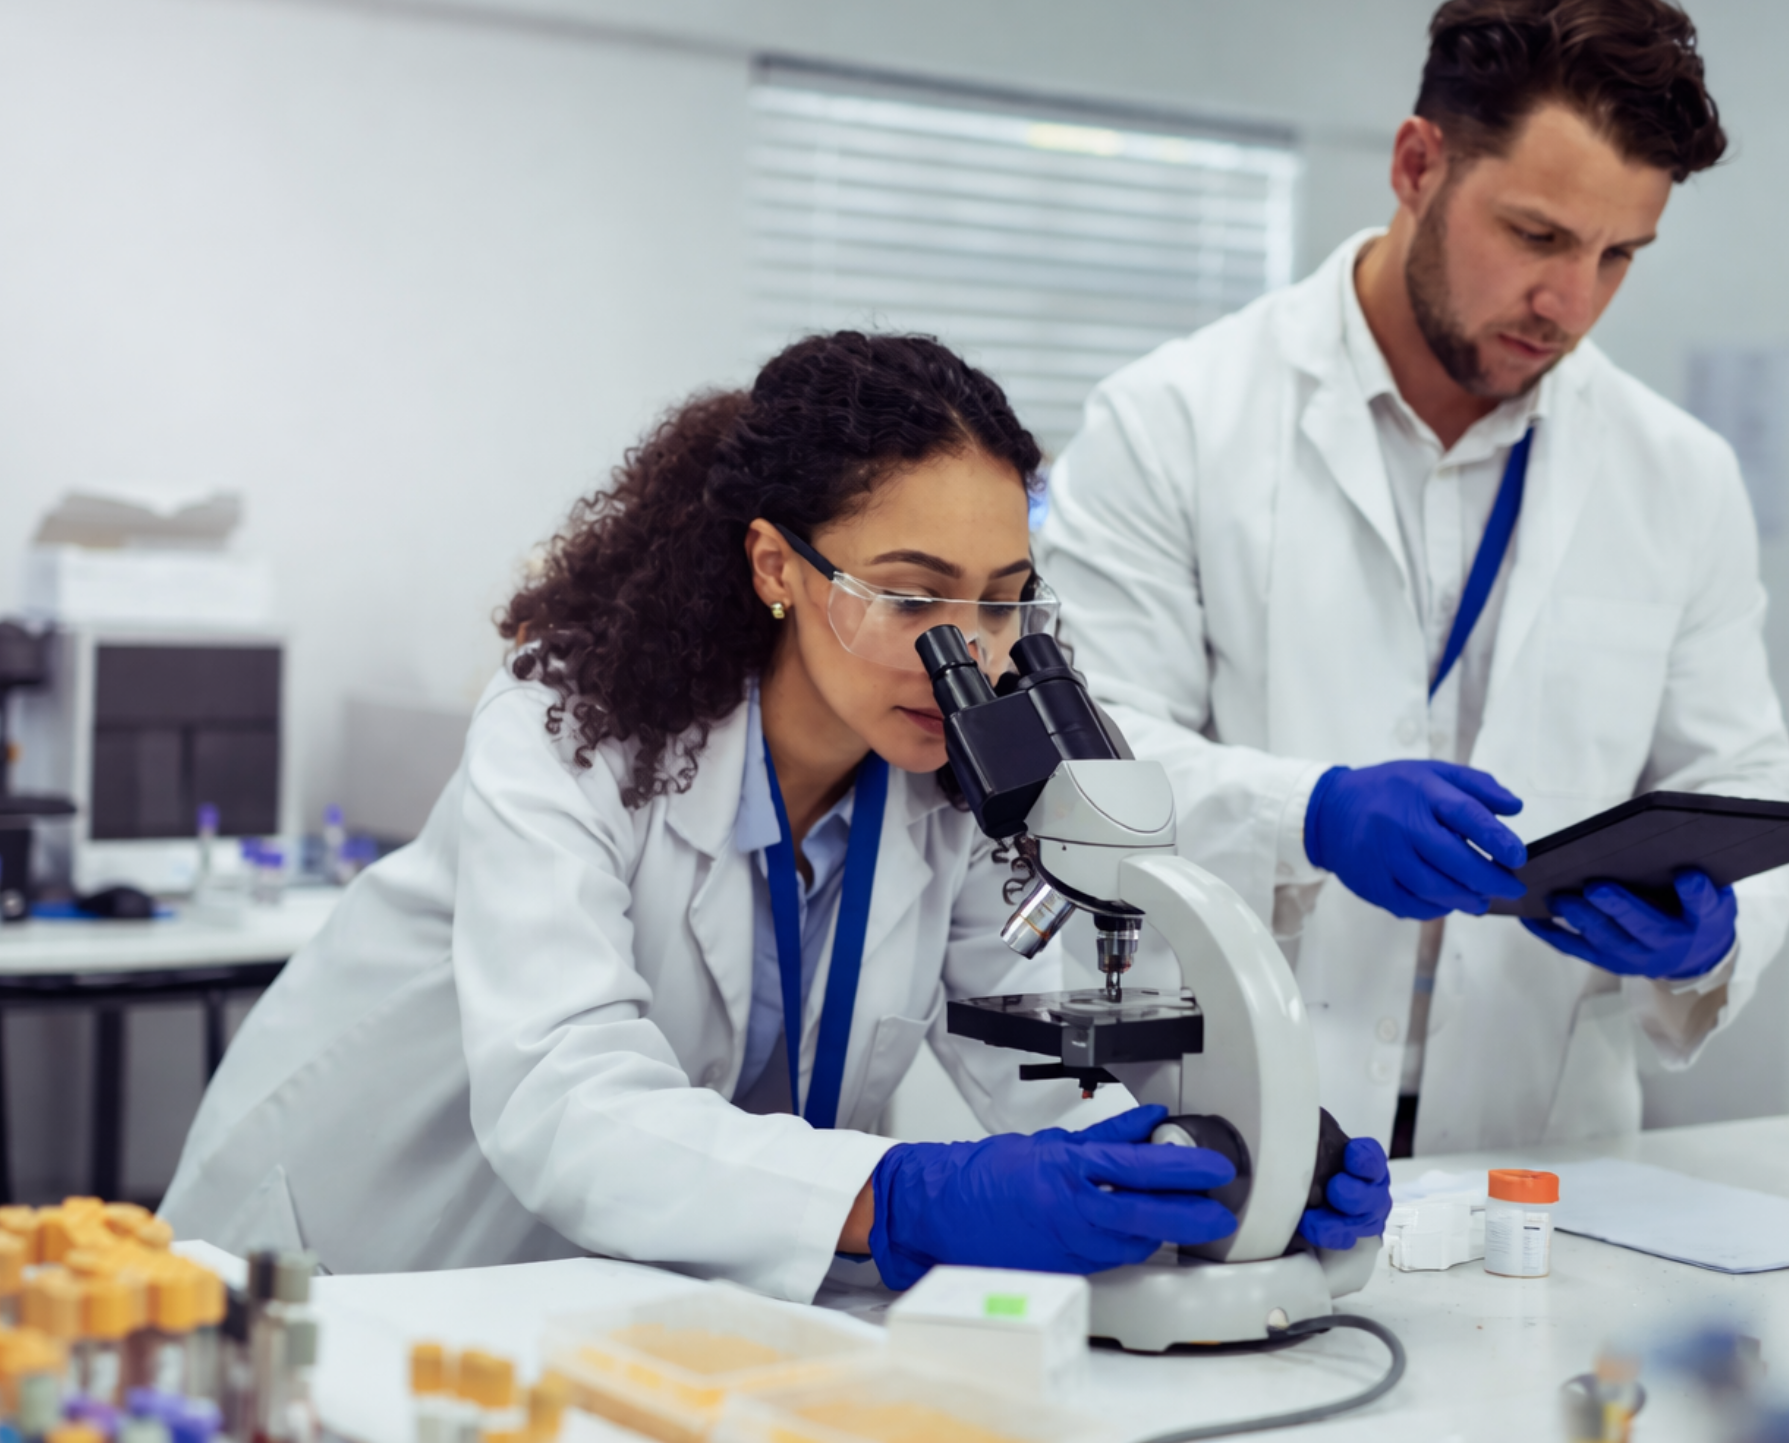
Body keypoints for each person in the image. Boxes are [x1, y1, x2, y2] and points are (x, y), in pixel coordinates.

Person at [160, 332, 1389, 1292]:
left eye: (1002, 601)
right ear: (775, 568)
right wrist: (903, 1196)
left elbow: (1037, 1070)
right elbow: (565, 1102)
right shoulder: (565, 729)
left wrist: (1233, 1152)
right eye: (912, 598)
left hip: (607, 1295)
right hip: (357, 1251)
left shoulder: (943, 787)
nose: (967, 652)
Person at [1038, 0, 1789, 1159]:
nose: (1570, 302)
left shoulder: (1679, 475)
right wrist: (1312, 814)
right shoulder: (1173, 420)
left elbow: (1742, 776)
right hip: (1238, 1112)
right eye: (1536, 234)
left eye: (1618, 255)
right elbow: (1090, 763)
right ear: (1416, 165)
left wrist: (1717, 930)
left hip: (1545, 1141)